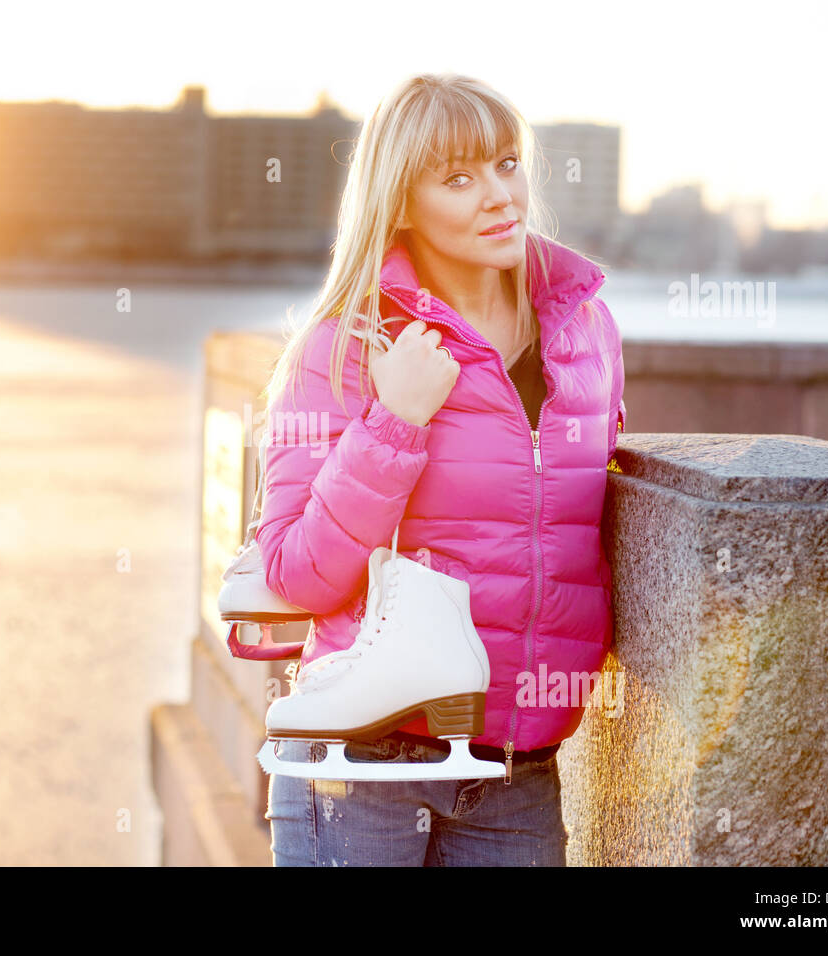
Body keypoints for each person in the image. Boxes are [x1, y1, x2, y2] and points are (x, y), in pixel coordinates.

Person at [254, 73, 626, 866]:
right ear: (399, 203)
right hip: (363, 769)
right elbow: (291, 574)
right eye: (458, 178)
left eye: (506, 163)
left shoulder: (585, 332)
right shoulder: (344, 346)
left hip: (518, 771)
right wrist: (396, 421)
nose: (499, 195)